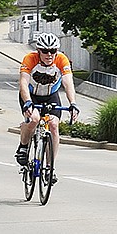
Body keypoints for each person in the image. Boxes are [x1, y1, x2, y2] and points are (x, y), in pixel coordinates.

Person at [15, 31, 80, 183]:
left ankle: (50, 168)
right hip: (31, 95)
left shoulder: (61, 60)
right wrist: (27, 102)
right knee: (34, 119)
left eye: (53, 51)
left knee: (54, 125)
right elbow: (23, 83)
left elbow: (68, 83)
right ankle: (23, 147)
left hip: (51, 95)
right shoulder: (30, 59)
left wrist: (73, 103)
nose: (49, 54)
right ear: (38, 51)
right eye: (45, 51)